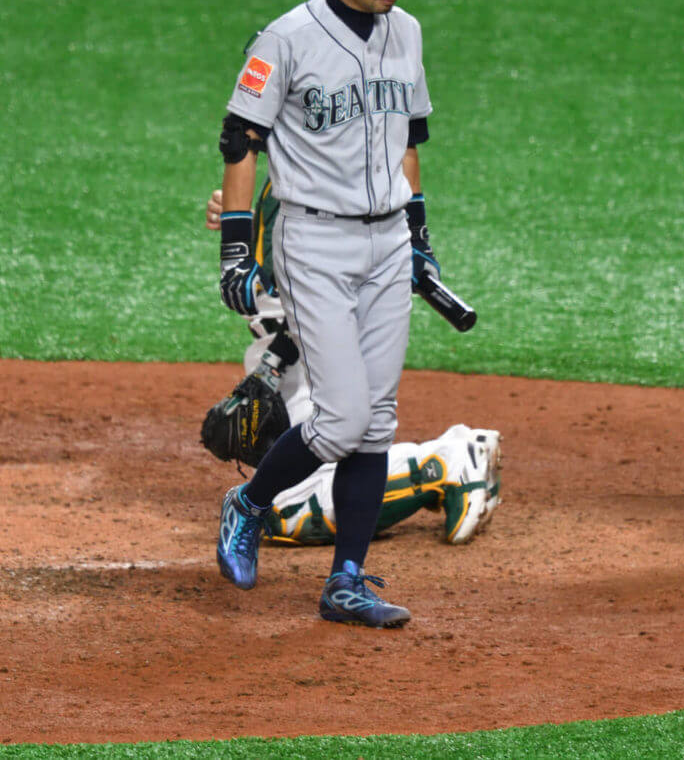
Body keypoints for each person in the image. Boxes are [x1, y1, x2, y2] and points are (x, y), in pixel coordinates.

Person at [213, 0, 441, 626]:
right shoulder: (287, 39)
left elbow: (412, 140)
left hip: (386, 242)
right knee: (341, 420)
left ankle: (347, 578)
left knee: (376, 423)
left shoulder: (407, 34)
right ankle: (247, 504)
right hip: (314, 241)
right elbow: (239, 141)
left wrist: (420, 235)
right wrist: (234, 250)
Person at [203, 183, 502, 547]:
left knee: (289, 508)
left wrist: (272, 364)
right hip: (296, 352)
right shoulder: (295, 171)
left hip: (309, 356)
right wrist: (240, 217)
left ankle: (445, 464)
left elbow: (331, 290)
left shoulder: (334, 179)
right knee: (284, 470)